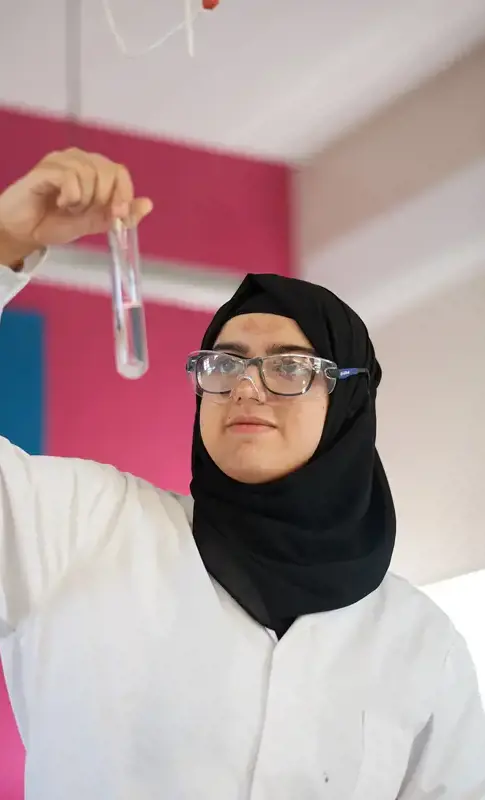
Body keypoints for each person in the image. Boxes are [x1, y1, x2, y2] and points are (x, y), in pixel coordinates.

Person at [0, 148, 484, 800]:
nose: (245, 390)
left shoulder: (421, 644)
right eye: (223, 365)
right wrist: (6, 239)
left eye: (288, 367)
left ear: (347, 404)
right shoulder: (83, 529)